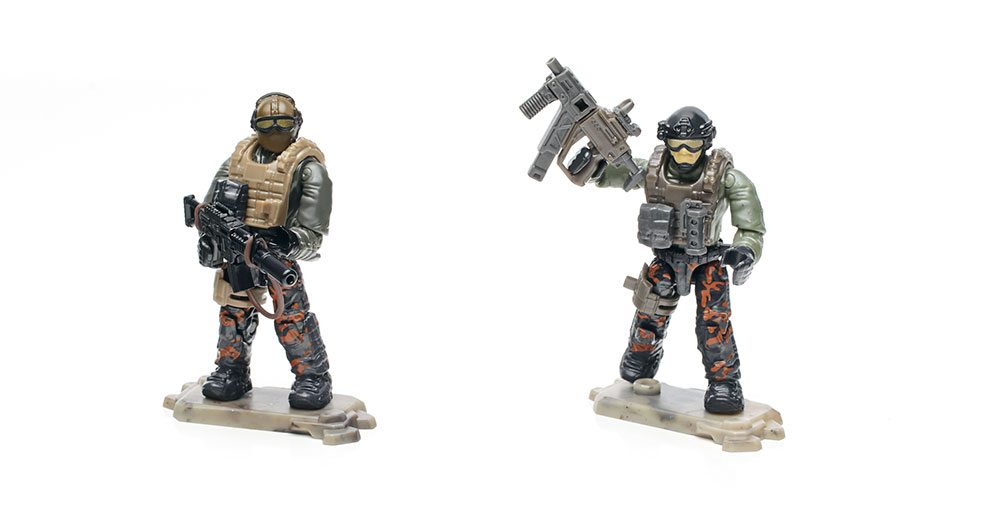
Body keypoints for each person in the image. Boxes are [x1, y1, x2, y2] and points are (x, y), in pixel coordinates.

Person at [592, 106, 765, 414]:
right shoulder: (652, 171)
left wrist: (745, 250)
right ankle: (642, 357)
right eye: (677, 145)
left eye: (693, 145)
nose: (684, 153)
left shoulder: (727, 179)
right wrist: (593, 166)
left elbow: (750, 226)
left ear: (705, 143)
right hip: (666, 259)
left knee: (714, 322)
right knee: (649, 312)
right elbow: (612, 174)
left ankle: (724, 382)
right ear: (667, 142)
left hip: (708, 261)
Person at [197, 92, 334, 410]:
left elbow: (313, 235)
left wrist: (289, 241)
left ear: (296, 124)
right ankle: (231, 370)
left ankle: (313, 377)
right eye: (266, 124)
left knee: (291, 316)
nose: (274, 131)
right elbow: (208, 207)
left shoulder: (308, 170)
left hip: (274, 255)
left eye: (282, 123)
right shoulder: (237, 159)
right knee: (233, 310)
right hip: (235, 250)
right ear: (254, 125)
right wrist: (211, 240)